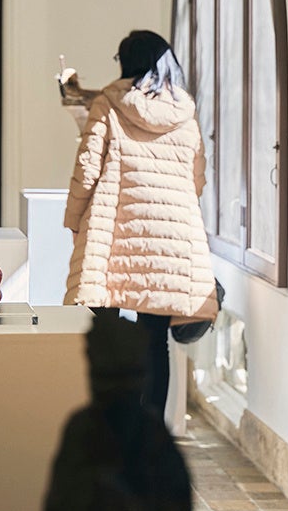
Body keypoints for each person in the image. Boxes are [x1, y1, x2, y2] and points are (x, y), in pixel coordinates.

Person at [63, 30, 218, 418]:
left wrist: (73, 220)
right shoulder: (185, 113)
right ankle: (150, 430)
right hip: (169, 238)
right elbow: (197, 180)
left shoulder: (109, 104)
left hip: (114, 231)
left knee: (104, 330)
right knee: (155, 340)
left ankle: (110, 421)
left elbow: (87, 170)